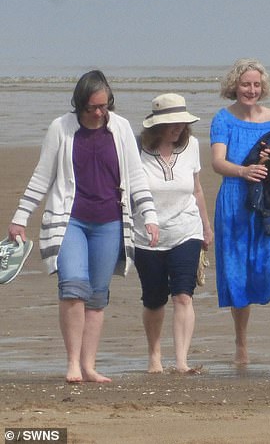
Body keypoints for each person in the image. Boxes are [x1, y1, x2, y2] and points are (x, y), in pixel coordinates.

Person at [7, 70, 159, 383]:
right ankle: (73, 363)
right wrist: (20, 217)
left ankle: (89, 365)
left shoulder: (120, 128)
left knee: (97, 295)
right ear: (79, 105)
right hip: (69, 220)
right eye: (92, 107)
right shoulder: (60, 128)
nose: (99, 112)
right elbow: (42, 176)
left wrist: (149, 215)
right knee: (73, 288)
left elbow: (136, 176)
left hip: (109, 222)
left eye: (104, 106)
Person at [210, 58, 270, 365]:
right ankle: (241, 345)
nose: (251, 90)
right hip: (235, 200)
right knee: (239, 272)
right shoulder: (223, 119)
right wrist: (244, 171)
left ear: (263, 88)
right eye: (245, 84)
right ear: (234, 86)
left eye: (256, 85)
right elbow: (217, 163)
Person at [134, 93, 213, 374]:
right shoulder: (136, 149)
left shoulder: (191, 145)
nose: (178, 127)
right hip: (147, 236)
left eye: (181, 122)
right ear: (155, 125)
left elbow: (197, 188)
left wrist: (206, 226)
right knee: (154, 299)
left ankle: (181, 361)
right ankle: (154, 357)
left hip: (186, 229)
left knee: (183, 295)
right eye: (172, 123)